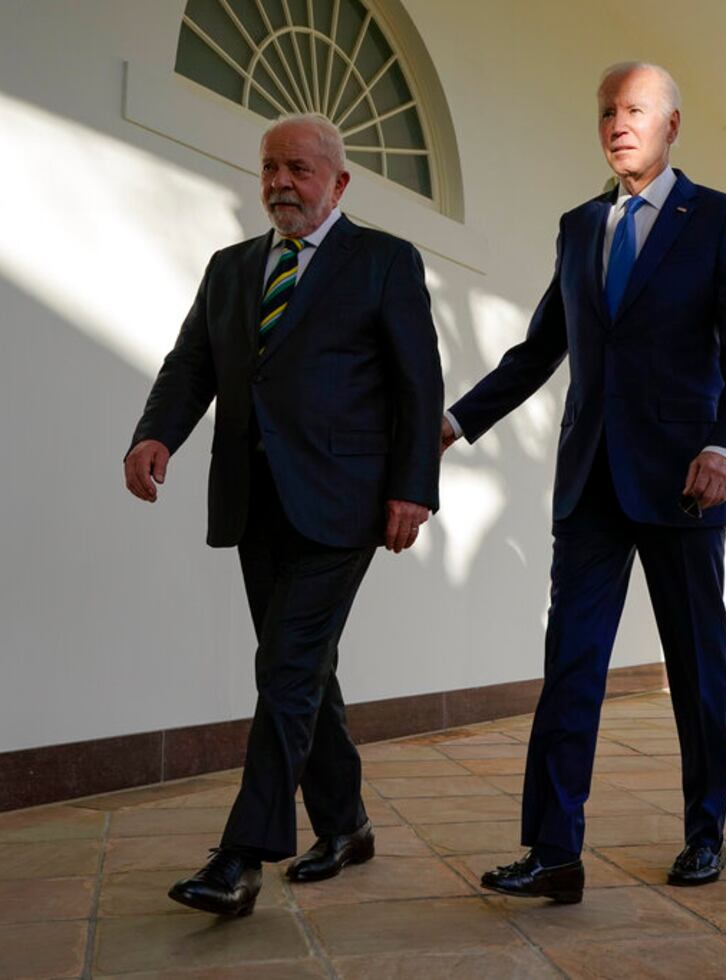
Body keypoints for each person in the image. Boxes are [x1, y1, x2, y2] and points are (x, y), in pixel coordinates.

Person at [442, 62, 726, 901]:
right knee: (572, 666)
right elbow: (539, 348)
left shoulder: (721, 219)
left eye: (634, 109)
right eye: (606, 112)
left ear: (671, 125)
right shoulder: (580, 225)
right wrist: (454, 421)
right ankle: (555, 852)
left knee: (696, 670)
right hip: (590, 481)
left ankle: (706, 832)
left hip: (687, 482)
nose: (617, 123)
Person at [124, 113, 443, 916]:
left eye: (299, 169)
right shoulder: (231, 269)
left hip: (345, 502)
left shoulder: (384, 261)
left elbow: (418, 384)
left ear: (339, 182)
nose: (280, 184)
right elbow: (192, 360)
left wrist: (414, 487)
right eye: (270, 168)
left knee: (288, 667)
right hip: (252, 497)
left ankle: (242, 856)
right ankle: (347, 823)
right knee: (304, 668)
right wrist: (156, 433)